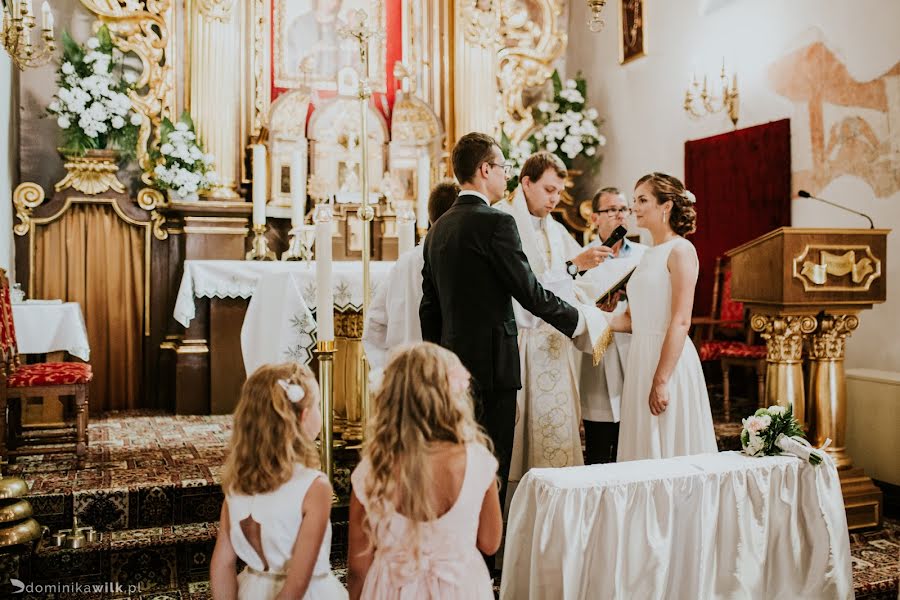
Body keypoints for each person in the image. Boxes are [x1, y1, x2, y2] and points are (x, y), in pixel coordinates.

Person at [419, 132, 587, 508]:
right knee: (491, 467)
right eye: (502, 168)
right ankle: (487, 561)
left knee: (460, 462)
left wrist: (438, 362)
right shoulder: (496, 222)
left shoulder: (438, 230)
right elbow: (529, 291)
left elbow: (429, 309)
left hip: (451, 368)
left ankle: (462, 549)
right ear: (484, 169)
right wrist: (578, 323)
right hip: (495, 368)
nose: (506, 177)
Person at [493, 152, 611, 503]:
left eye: (559, 192)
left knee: (556, 436)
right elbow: (525, 290)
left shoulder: (556, 229)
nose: (554, 199)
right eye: (547, 190)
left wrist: (600, 294)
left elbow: (575, 282)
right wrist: (575, 266)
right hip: (522, 346)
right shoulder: (502, 223)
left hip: (555, 348)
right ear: (525, 183)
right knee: (521, 442)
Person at [347, 342, 501, 599]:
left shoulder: (373, 469)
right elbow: (490, 541)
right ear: (451, 397)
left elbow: (357, 568)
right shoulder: (476, 460)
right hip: (460, 589)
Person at [210, 362, 347, 600]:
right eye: (318, 406)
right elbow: (298, 582)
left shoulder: (237, 484)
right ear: (303, 417)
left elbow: (222, 565)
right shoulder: (314, 486)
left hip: (251, 590)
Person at [607, 173, 717, 461]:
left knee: (668, 447)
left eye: (643, 200)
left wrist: (661, 379)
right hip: (641, 358)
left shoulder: (681, 250)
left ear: (666, 206)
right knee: (643, 446)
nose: (634, 208)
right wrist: (583, 318)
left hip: (669, 361)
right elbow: (633, 319)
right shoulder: (646, 255)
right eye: (634, 201)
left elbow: (681, 320)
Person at [577, 187, 646, 464]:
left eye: (624, 209)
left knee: (632, 434)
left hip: (634, 345)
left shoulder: (644, 254)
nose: (620, 215)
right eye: (612, 210)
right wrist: (596, 308)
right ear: (595, 218)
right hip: (599, 349)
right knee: (600, 437)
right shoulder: (581, 257)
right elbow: (573, 303)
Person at [362, 180, 460, 371]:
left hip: (406, 374)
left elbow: (374, 323)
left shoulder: (404, 263)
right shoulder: (459, 260)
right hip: (446, 375)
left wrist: (385, 371)